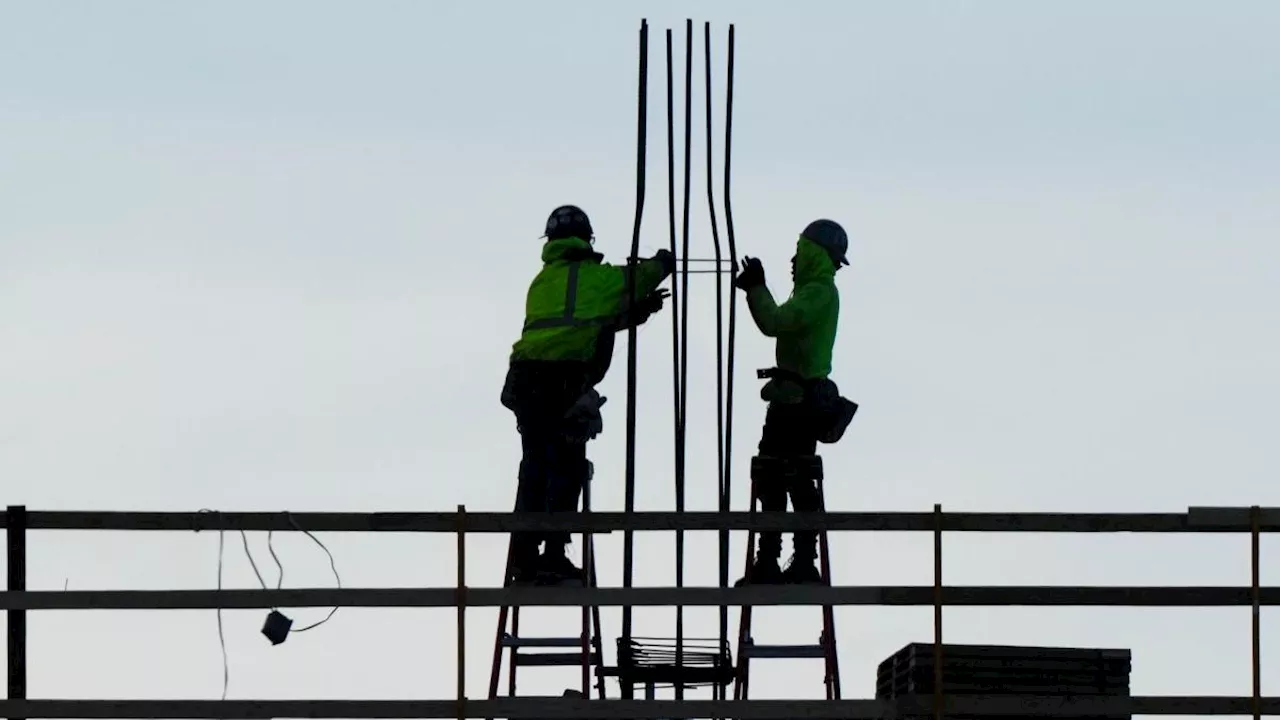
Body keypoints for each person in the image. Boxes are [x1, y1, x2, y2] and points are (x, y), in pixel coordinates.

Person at [501, 204, 675, 585]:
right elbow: (635, 279)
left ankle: (525, 558)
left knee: (535, 467)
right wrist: (663, 262)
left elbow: (587, 322)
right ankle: (551, 556)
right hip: (559, 385)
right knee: (566, 466)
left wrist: (635, 313)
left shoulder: (544, 280)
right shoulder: (593, 278)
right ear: (587, 239)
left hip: (525, 382)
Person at [732, 218, 857, 586]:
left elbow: (776, 322)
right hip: (793, 401)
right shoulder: (812, 291)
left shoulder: (817, 292)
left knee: (788, 480)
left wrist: (756, 287)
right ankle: (781, 561)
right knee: (778, 479)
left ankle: (793, 562)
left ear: (809, 253)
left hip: (797, 406)